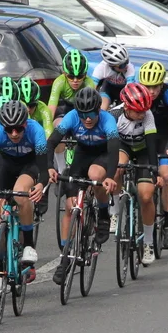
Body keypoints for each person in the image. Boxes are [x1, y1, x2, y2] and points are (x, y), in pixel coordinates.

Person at [46, 86, 120, 285]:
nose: (87, 119)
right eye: (83, 115)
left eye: (92, 114)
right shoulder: (71, 117)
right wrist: (49, 168)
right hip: (82, 154)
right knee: (70, 206)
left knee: (95, 175)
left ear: (99, 110)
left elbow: (114, 150)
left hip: (103, 155)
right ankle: (65, 256)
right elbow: (51, 143)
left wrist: (110, 177)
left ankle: (103, 214)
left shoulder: (107, 120)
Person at [0, 99, 49, 292]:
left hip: (29, 165)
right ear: (2, 126)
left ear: (26, 124)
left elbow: (44, 169)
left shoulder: (36, 130)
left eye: (18, 129)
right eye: (9, 129)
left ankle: (28, 244)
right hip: (5, 166)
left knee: (20, 194)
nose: (14, 133)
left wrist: (40, 185)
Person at [110, 82, 159, 266]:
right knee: (116, 167)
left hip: (144, 151)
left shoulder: (148, 115)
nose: (142, 114)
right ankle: (115, 212)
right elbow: (109, 146)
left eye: (144, 111)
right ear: (126, 108)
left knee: (146, 196)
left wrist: (154, 172)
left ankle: (148, 243)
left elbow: (152, 145)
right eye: (138, 111)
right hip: (124, 147)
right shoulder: (114, 115)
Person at [139, 60, 168, 250]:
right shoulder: (137, 91)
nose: (151, 91)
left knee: (166, 176)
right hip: (144, 136)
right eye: (147, 86)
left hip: (166, 136)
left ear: (162, 84)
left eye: (155, 87)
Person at [90, 41, 136, 107]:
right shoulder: (102, 68)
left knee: (126, 107)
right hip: (109, 87)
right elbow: (91, 89)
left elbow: (129, 90)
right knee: (103, 108)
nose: (126, 65)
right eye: (122, 65)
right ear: (112, 65)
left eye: (127, 61)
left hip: (123, 88)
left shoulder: (129, 67)